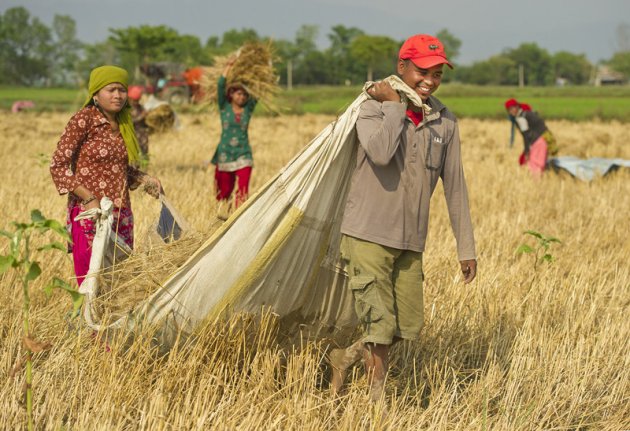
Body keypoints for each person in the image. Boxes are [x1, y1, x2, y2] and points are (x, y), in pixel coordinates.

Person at [329, 34, 477, 401]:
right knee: (379, 326)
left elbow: (455, 187)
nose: (430, 80)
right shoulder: (372, 108)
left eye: (438, 73)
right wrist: (394, 106)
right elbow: (379, 153)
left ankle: (342, 357)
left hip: (411, 241)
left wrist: (466, 247)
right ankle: (377, 406)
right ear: (402, 68)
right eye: (422, 71)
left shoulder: (445, 122)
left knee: (404, 326)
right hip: (367, 234)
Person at [50, 65, 161, 286]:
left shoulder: (124, 124)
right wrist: (88, 198)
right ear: (96, 94)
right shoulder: (84, 119)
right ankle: (85, 320)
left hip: (121, 216)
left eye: (121, 90)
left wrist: (145, 179)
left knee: (118, 281)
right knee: (91, 281)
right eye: (111, 90)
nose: (118, 95)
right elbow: (58, 165)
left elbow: (120, 170)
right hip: (90, 213)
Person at [210, 56, 258, 220]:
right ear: (231, 94)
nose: (242, 97)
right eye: (239, 94)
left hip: (244, 152)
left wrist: (253, 71)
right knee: (224, 191)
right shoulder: (224, 106)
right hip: (225, 154)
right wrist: (229, 66)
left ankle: (239, 218)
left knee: (243, 189)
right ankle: (224, 216)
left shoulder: (248, 109)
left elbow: (257, 93)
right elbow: (220, 85)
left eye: (245, 95)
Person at [505, 98, 558, 175]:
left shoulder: (521, 118)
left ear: (517, 106)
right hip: (543, 140)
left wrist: (526, 152)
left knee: (534, 164)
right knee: (540, 163)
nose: (511, 111)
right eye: (509, 110)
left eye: (512, 108)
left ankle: (537, 184)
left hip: (538, 143)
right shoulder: (526, 113)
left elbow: (526, 136)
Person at [128, 85, 150, 157]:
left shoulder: (141, 107)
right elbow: (130, 122)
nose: (136, 102)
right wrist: (141, 116)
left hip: (143, 135)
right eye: (134, 100)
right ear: (130, 99)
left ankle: (145, 167)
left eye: (137, 100)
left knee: (145, 153)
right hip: (133, 135)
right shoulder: (127, 109)